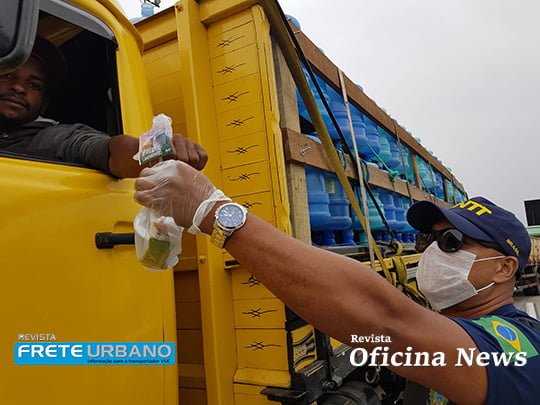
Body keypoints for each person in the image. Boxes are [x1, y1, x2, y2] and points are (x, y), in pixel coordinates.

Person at [134, 160, 539, 405]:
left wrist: (212, 210)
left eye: (451, 242)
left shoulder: (520, 348)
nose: (432, 252)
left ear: (504, 269)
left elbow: (383, 323)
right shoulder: (461, 329)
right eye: (426, 239)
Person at [0, 36, 207, 177]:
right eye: (8, 75)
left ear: (44, 104)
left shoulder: (53, 139)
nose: (18, 87)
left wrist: (159, 147)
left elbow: (111, 152)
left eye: (34, 85)